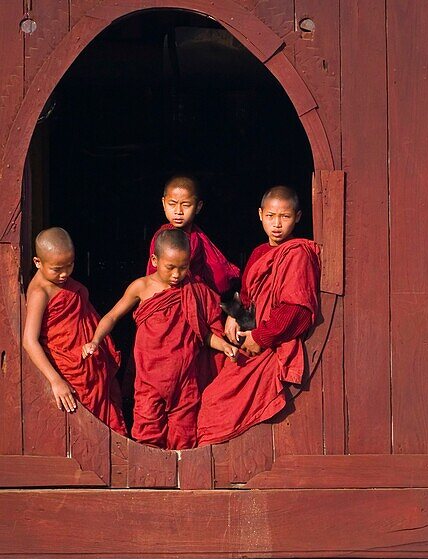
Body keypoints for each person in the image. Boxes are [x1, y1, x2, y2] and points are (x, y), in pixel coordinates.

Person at [83, 229, 237, 449]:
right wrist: (95, 340)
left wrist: (224, 346)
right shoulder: (142, 287)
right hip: (149, 379)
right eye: (170, 267)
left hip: (185, 379)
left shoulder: (194, 290)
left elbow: (203, 334)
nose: (177, 274)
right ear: (155, 260)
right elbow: (112, 316)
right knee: (147, 438)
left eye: (183, 267)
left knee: (184, 439)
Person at [196, 186, 321, 446]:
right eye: (271, 216)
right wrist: (234, 314)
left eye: (285, 217)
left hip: (273, 344)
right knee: (210, 393)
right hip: (254, 340)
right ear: (260, 215)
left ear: (297, 217)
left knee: (216, 403)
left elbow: (296, 310)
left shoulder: (297, 254)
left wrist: (261, 337)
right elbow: (249, 295)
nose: (277, 224)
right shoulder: (258, 253)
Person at [22, 227, 126, 433]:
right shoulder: (40, 292)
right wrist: (55, 380)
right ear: (37, 263)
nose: (64, 274)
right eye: (57, 268)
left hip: (89, 362)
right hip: (69, 369)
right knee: (83, 428)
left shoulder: (64, 282)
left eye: (69, 266)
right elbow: (29, 340)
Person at [146, 174, 239, 298]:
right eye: (172, 204)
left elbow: (217, 273)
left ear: (198, 207)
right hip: (166, 297)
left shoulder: (197, 236)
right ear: (163, 203)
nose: (178, 211)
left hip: (196, 296)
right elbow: (155, 273)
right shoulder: (162, 237)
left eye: (186, 205)